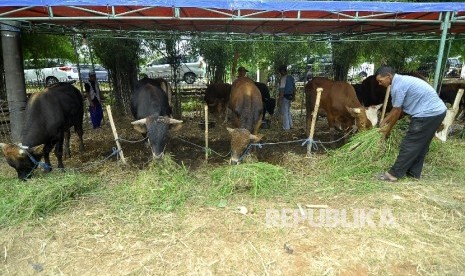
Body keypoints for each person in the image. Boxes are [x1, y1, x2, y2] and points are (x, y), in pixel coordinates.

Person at [375, 66, 446, 182]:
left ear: (388, 76)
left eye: (380, 80)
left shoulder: (397, 87)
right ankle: (413, 173)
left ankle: (393, 174)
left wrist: (387, 131)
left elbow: (397, 111)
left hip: (427, 114)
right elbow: (397, 108)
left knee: (409, 144)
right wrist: (385, 120)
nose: (379, 83)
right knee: (421, 145)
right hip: (438, 112)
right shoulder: (402, 80)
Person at [278, 65, 295, 130]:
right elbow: (294, 88)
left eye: (280, 72)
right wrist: (294, 96)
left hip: (285, 96)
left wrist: (279, 100)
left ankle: (286, 127)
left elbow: (282, 90)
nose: (280, 73)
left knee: (284, 112)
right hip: (290, 96)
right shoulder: (291, 77)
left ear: (282, 71)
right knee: (288, 111)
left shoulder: (283, 78)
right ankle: (291, 125)